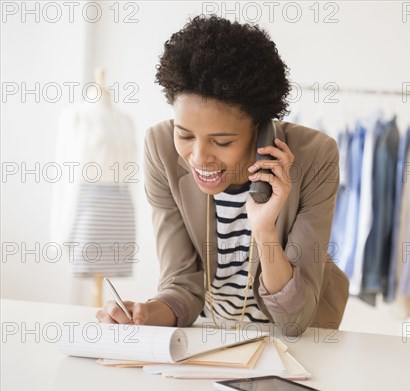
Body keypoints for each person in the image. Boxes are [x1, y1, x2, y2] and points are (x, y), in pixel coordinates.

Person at [96, 15, 349, 336]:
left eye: (222, 141)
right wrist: (143, 314)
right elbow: (181, 284)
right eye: (185, 135)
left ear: (259, 130)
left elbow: (295, 320)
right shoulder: (161, 148)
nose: (199, 158)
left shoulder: (315, 156)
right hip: (208, 335)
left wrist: (264, 229)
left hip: (298, 343)